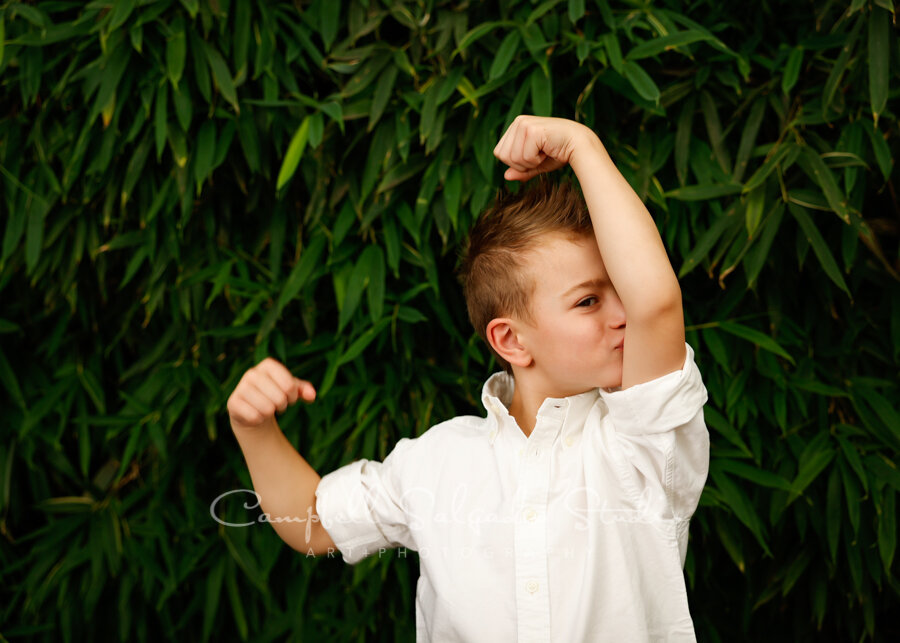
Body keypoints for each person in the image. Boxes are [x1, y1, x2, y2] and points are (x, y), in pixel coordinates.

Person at [227, 115, 710, 641]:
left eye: (620, 287)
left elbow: (654, 304)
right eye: (589, 301)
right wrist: (254, 429)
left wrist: (583, 146)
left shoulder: (642, 443)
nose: (622, 314)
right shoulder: (437, 461)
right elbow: (313, 523)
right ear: (511, 341)